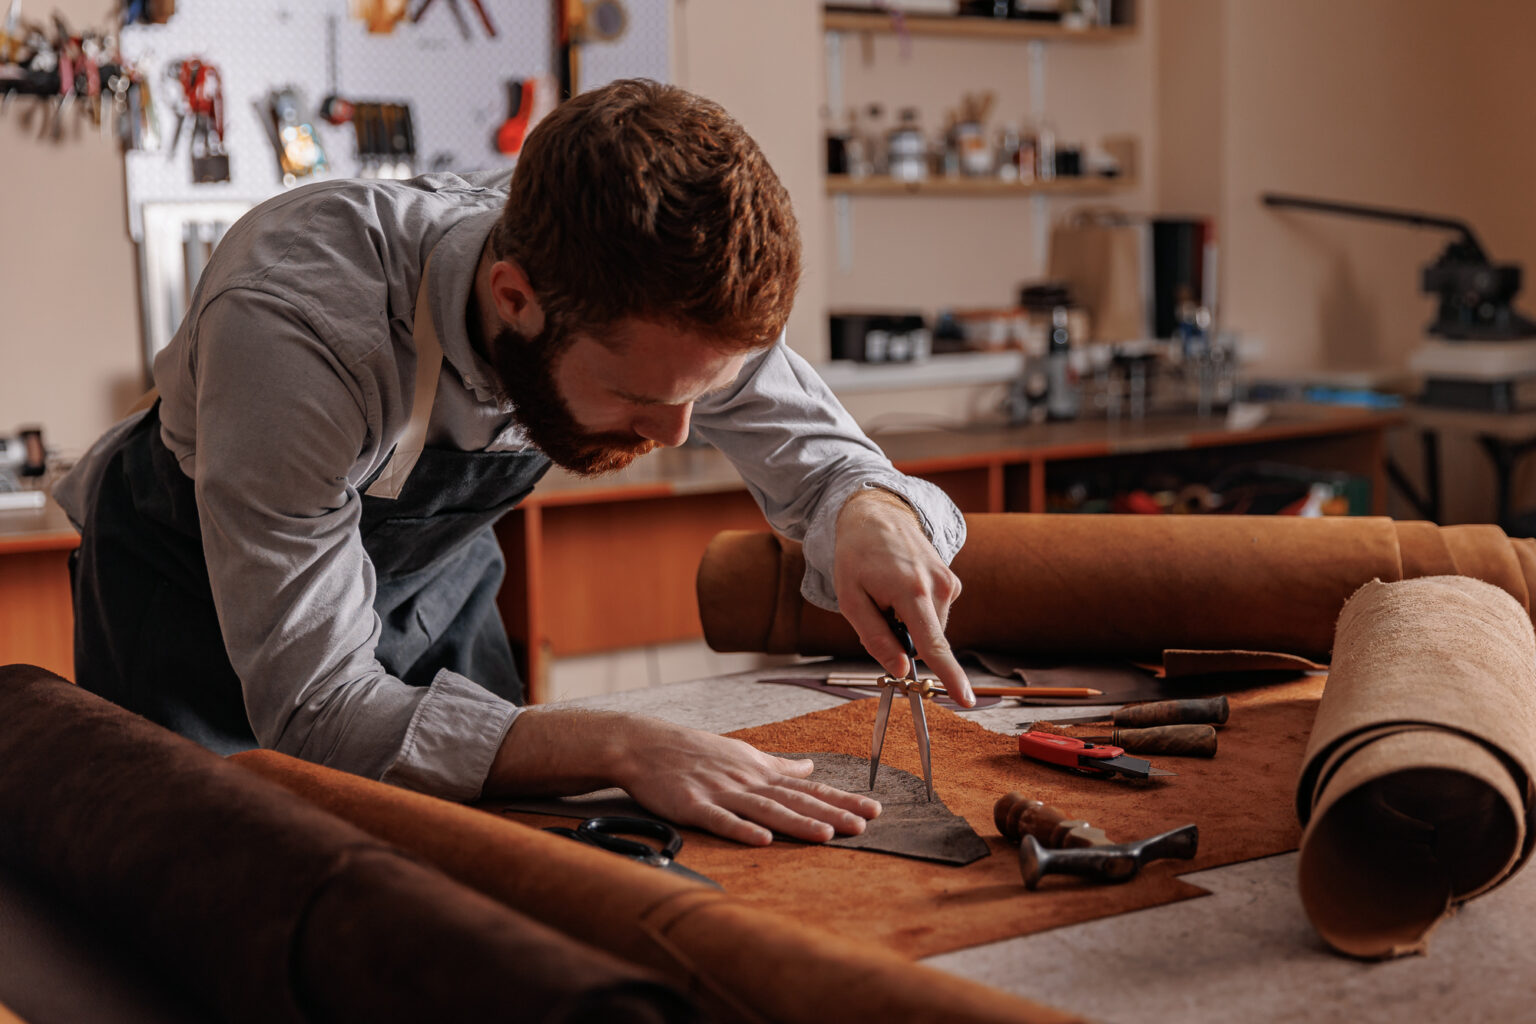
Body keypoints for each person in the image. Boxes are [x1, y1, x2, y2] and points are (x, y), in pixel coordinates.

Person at [56, 79, 971, 847]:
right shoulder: (299, 330)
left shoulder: (649, 300)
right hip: (192, 607)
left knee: (488, 880)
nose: (680, 433)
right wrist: (622, 744)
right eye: (640, 402)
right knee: (213, 896)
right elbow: (319, 708)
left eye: (706, 391)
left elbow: (831, 468)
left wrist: (871, 513)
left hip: (429, 589)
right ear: (514, 299)